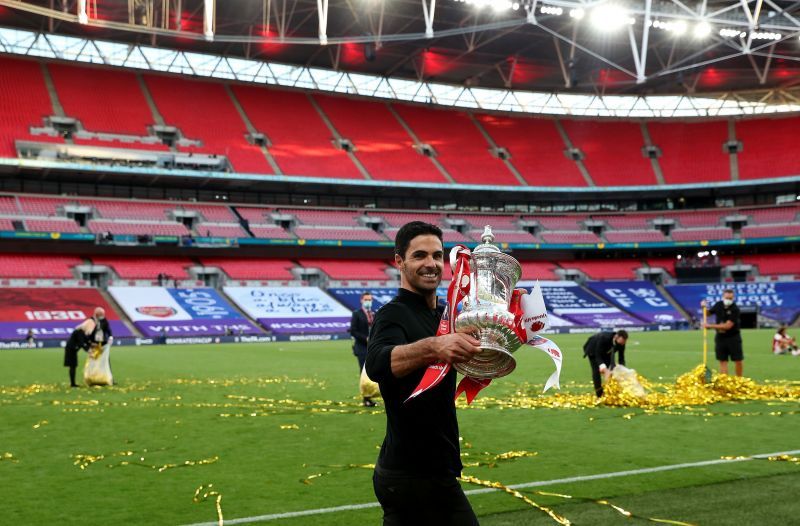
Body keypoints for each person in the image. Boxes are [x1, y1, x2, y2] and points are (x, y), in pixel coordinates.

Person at [365, 221, 482, 526]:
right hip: (413, 475)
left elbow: (452, 357)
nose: (431, 264)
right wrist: (435, 347)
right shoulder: (393, 313)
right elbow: (377, 364)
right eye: (419, 256)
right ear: (399, 262)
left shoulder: (443, 315)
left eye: (437, 255)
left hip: (425, 469)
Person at [63, 307, 112, 387]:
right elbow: (82, 343)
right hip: (71, 348)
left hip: (73, 348)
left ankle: (73, 383)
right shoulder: (80, 332)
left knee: (73, 365)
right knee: (73, 365)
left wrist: (92, 344)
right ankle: (73, 384)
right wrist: (89, 350)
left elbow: (85, 340)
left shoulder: (82, 330)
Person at [703, 290, 743, 376]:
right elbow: (707, 314)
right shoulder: (718, 305)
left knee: (738, 360)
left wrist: (710, 326)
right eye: (726, 298)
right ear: (723, 297)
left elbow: (728, 326)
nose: (728, 299)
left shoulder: (735, 309)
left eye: (730, 298)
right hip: (720, 337)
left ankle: (739, 379)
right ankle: (724, 380)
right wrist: (704, 307)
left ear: (733, 298)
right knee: (722, 360)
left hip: (733, 337)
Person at [350, 291, 377, 407]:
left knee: (373, 372)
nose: (368, 301)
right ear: (361, 300)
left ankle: (371, 396)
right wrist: (365, 338)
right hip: (361, 347)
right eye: (366, 299)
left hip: (373, 348)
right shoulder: (357, 314)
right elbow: (353, 331)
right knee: (363, 372)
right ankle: (366, 398)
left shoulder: (374, 314)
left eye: (370, 299)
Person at [583, 329, 629, 397]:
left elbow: (621, 358)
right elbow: (598, 355)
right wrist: (603, 368)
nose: (623, 343)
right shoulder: (604, 338)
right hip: (593, 349)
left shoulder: (622, 343)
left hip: (607, 352)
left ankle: (610, 391)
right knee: (596, 371)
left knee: (611, 369)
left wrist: (622, 369)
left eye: (624, 341)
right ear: (616, 337)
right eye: (622, 341)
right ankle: (599, 394)